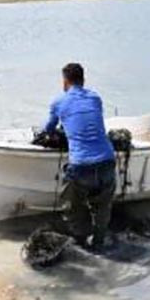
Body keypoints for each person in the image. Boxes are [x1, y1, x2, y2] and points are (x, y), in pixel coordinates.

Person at [42, 63, 116, 250]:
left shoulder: (59, 102)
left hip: (81, 167)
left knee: (71, 208)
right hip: (107, 161)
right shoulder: (95, 98)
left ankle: (82, 242)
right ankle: (99, 243)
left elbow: (49, 129)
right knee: (102, 209)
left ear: (65, 82)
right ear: (83, 80)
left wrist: (52, 133)